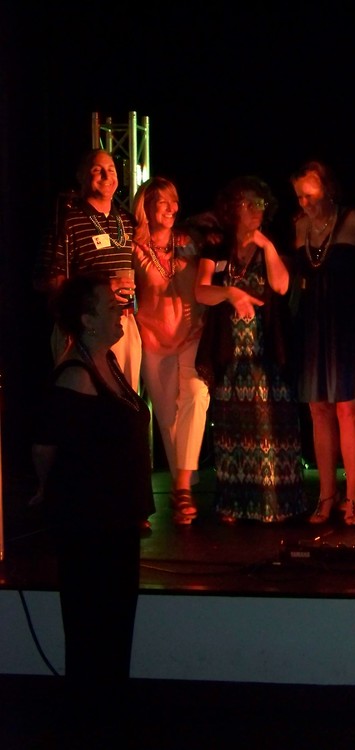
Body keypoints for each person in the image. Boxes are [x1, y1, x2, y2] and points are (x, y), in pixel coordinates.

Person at [31, 274, 154, 741]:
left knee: (116, 621)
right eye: (111, 305)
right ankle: (89, 720)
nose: (121, 310)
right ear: (87, 319)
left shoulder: (109, 363)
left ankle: (110, 711)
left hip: (117, 519)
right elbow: (44, 445)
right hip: (89, 523)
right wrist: (46, 489)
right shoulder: (75, 375)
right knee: (91, 624)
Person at [194, 176, 306, 523]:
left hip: (267, 355)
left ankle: (274, 505)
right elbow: (201, 291)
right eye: (248, 203)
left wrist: (267, 246)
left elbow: (282, 285)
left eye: (260, 203)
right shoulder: (217, 247)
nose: (256, 209)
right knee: (233, 433)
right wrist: (230, 293)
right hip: (231, 356)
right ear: (232, 209)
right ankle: (234, 505)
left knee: (270, 431)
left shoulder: (272, 243)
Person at [290, 161, 355, 526]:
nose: (305, 202)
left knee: (349, 410)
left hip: (348, 325)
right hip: (314, 326)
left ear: (327, 189)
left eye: (310, 195)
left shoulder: (354, 220)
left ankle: (354, 495)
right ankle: (326, 495)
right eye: (299, 196)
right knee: (319, 410)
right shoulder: (300, 226)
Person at [131, 176, 210, 525]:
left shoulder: (188, 241)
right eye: (162, 201)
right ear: (146, 207)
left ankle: (182, 488)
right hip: (153, 340)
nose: (171, 207)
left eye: (174, 201)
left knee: (196, 394)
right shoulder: (134, 248)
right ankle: (184, 488)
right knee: (167, 420)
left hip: (192, 335)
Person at [35, 148, 142, 392]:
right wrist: (102, 289)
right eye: (97, 170)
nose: (106, 176)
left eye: (111, 170)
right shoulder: (67, 221)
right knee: (86, 401)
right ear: (82, 177)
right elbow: (45, 279)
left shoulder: (126, 221)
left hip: (124, 324)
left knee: (126, 402)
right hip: (85, 328)